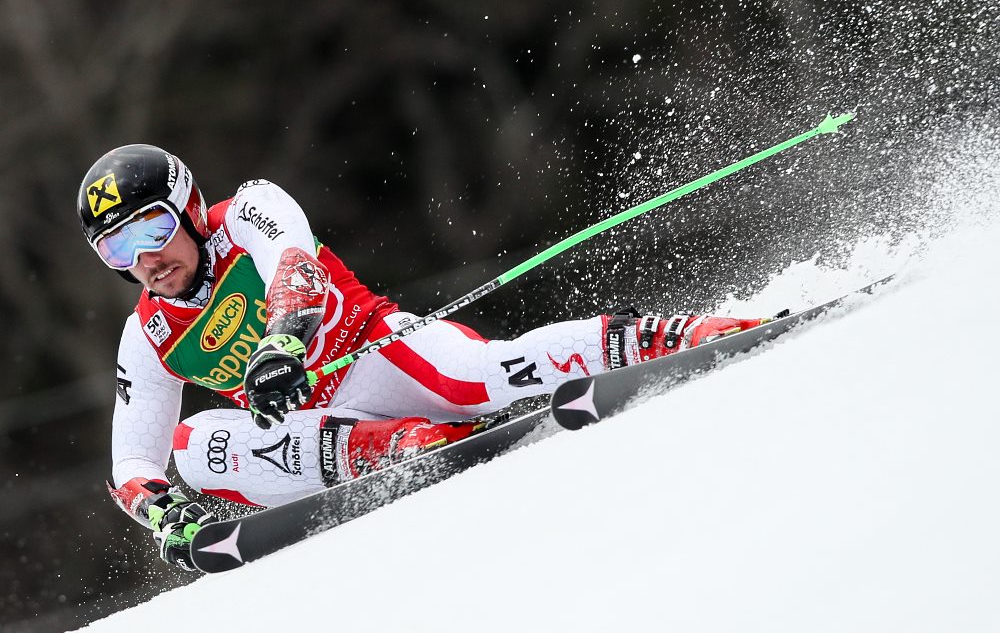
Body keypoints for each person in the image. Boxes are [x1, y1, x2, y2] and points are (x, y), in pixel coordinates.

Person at [79, 144, 770, 571]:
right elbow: (131, 461)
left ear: (189, 209)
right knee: (193, 444)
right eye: (116, 249)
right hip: (318, 433)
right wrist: (167, 517)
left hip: (379, 352)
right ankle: (400, 449)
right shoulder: (148, 334)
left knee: (487, 375)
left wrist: (283, 339)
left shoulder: (246, 212)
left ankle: (668, 336)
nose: (144, 261)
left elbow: (294, 259)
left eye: (151, 228)